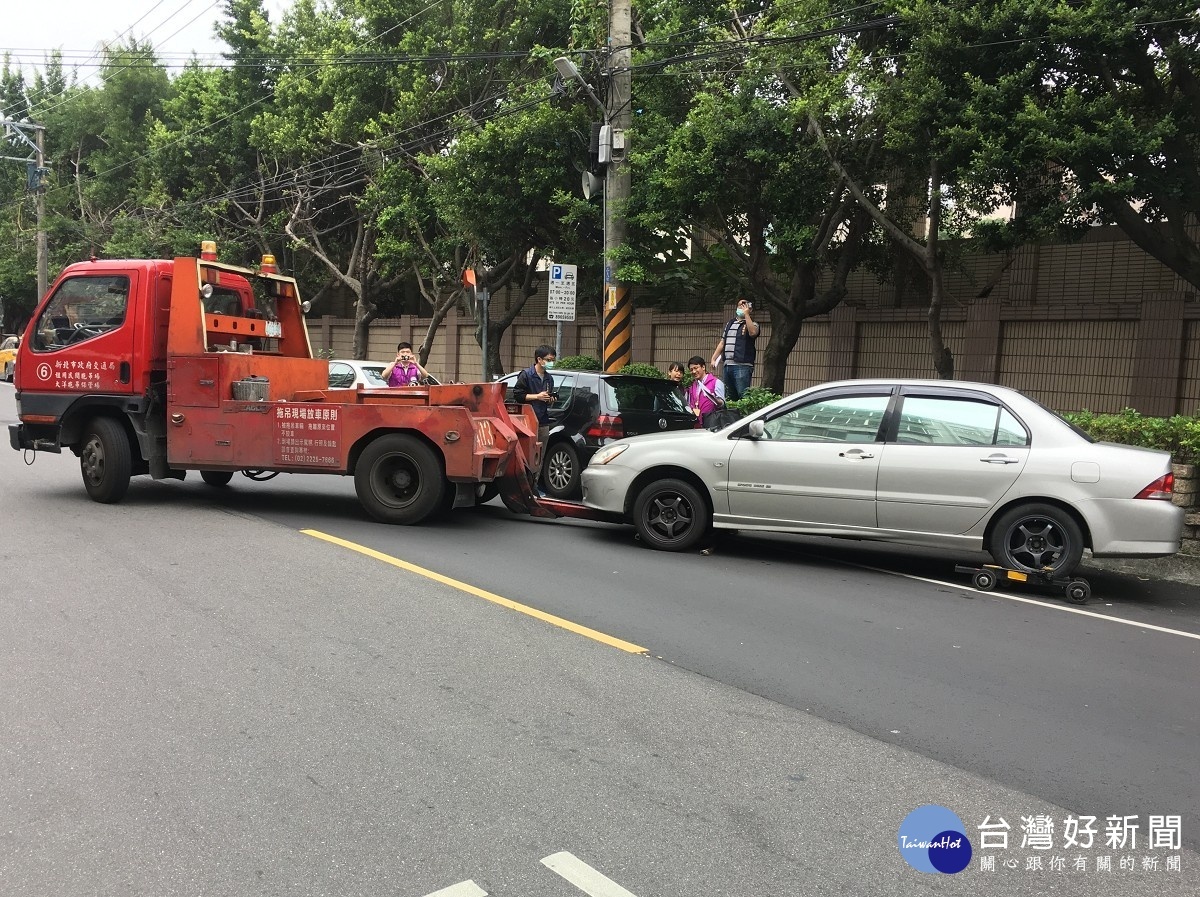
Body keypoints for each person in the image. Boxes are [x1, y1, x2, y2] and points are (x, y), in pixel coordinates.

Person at [711, 298, 759, 400]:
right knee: (728, 396)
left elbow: (753, 333)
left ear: (750, 309)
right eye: (739, 306)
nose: (741, 308)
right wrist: (714, 358)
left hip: (742, 365)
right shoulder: (730, 323)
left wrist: (746, 315)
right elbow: (722, 342)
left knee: (743, 396)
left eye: (744, 306)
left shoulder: (752, 323)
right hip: (727, 364)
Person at [513, 344, 557, 425]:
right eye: (549, 360)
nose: (551, 363)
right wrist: (537, 396)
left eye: (553, 360)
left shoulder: (549, 378)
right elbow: (518, 395)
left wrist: (549, 400)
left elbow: (545, 401)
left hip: (543, 421)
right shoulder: (526, 374)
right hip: (527, 420)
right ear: (539, 359)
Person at [684, 356, 724, 429]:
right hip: (696, 426)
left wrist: (716, 400)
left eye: (696, 368)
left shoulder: (716, 382)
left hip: (712, 425)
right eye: (691, 369)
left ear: (703, 367)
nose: (693, 371)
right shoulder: (692, 386)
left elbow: (722, 405)